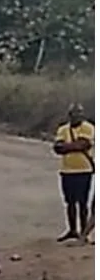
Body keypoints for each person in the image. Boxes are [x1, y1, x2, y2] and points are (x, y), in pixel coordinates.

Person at [52, 103, 94, 242]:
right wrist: (72, 146)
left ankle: (84, 232)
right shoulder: (63, 129)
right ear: (69, 115)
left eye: (79, 113)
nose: (76, 116)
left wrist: (66, 146)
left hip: (84, 170)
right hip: (67, 170)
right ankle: (72, 230)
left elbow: (83, 144)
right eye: (74, 113)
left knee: (83, 203)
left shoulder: (88, 128)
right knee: (70, 202)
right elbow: (57, 148)